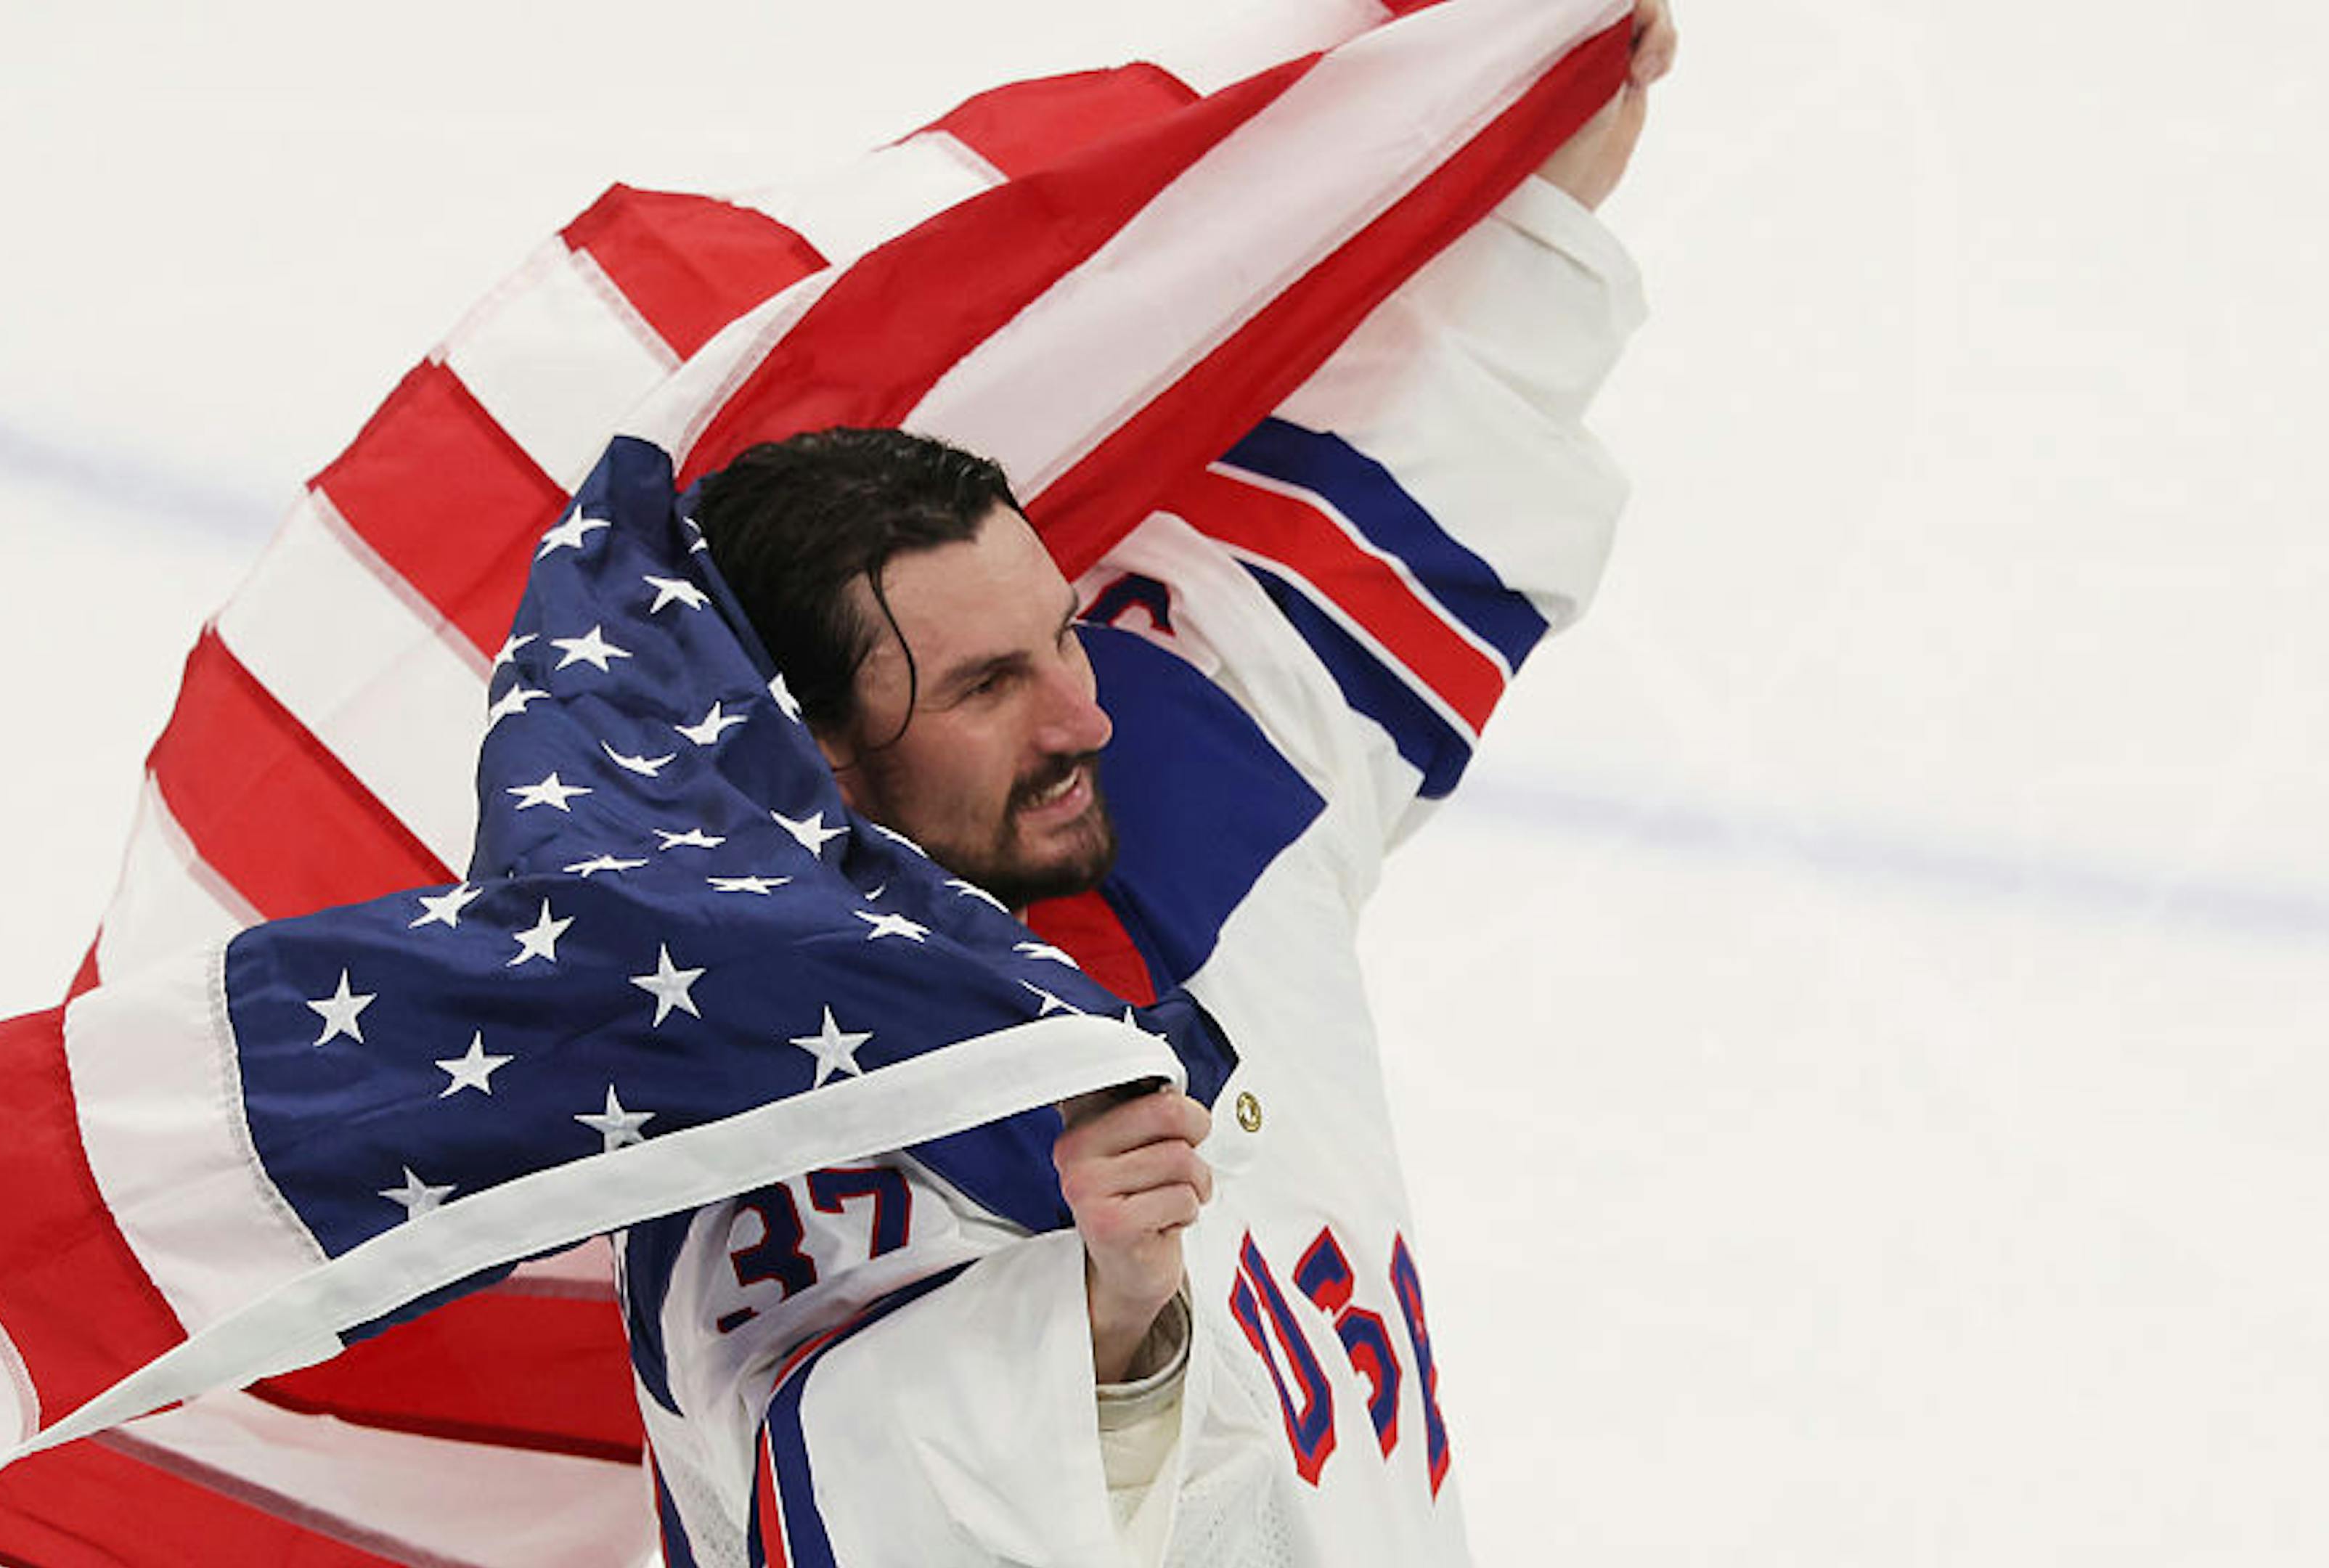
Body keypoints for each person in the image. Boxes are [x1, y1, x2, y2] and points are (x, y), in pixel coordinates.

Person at [608, 8, 1673, 1562]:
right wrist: (1103, 1326)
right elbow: (847, 1490)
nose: (1079, 713)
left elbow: (1403, 492)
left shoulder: (1168, 762)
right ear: (817, 751)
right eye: (984, 686)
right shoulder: (766, 1124)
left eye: (1059, 633)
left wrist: (1532, 160)